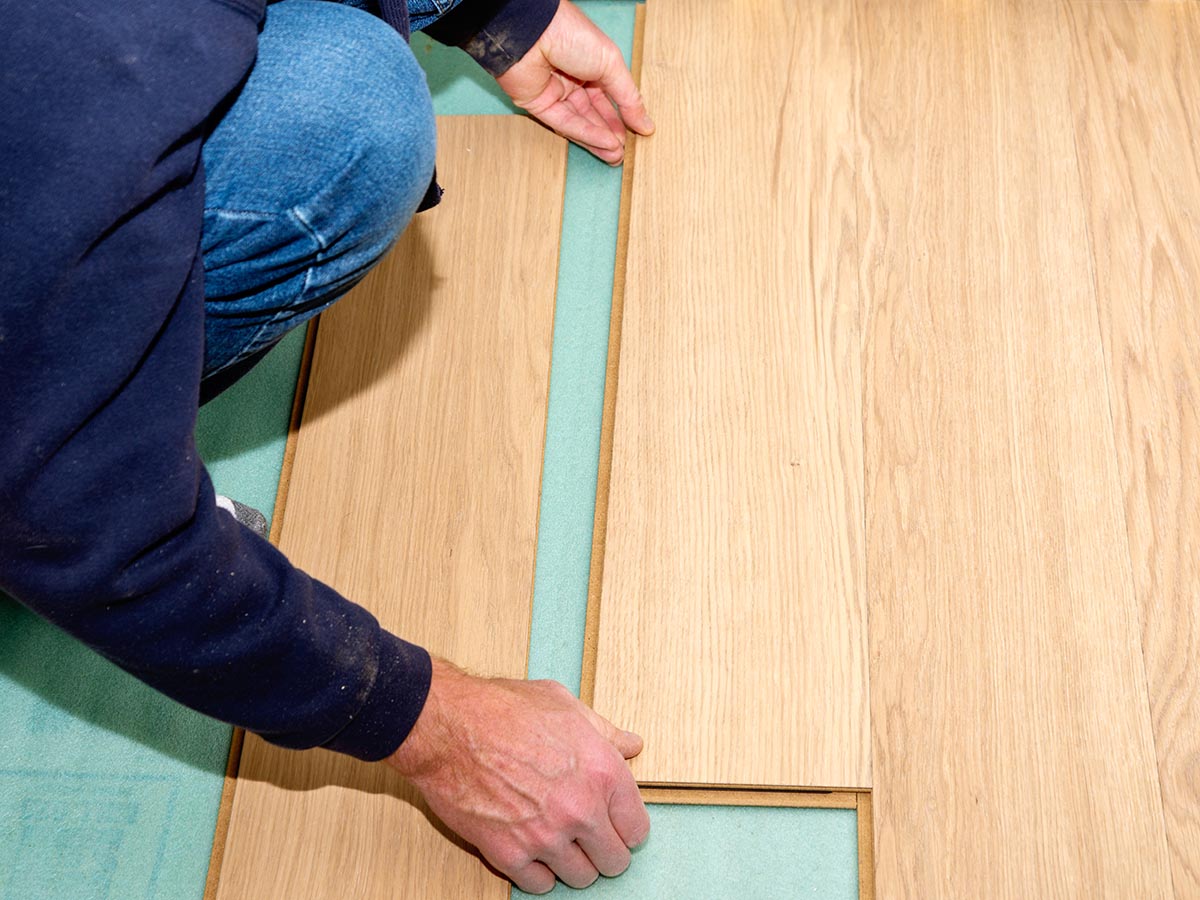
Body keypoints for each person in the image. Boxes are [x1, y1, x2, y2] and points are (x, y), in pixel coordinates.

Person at [0, 0, 655, 893]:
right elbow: (83, 522)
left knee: (344, 99)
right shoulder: (93, 67)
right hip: (49, 121)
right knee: (355, 126)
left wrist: (498, 15)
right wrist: (436, 727)